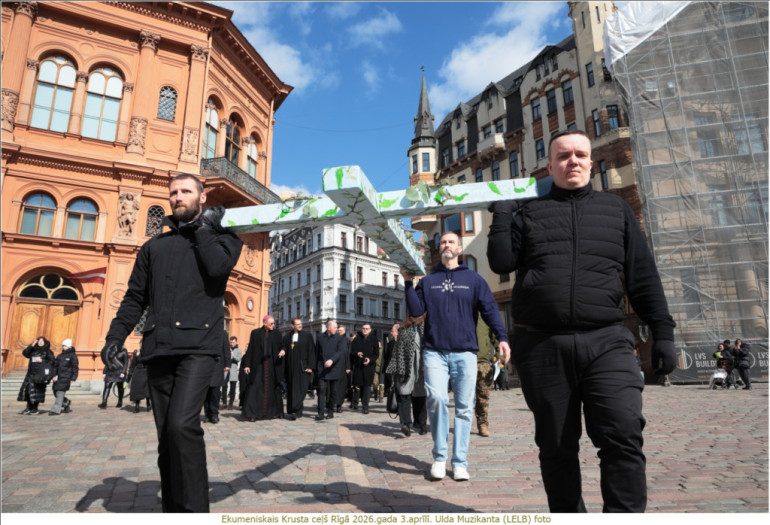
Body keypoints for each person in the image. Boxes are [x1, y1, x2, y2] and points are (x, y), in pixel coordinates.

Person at [487, 129, 676, 512]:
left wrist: (663, 333)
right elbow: (502, 262)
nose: (572, 161)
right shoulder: (530, 212)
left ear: (591, 161)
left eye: (580, 155)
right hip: (543, 346)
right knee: (556, 447)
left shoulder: (615, 210)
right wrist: (504, 212)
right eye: (563, 156)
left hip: (607, 340)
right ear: (549, 166)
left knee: (623, 433)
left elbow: (642, 276)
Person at [101, 173, 243, 512]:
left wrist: (206, 229)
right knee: (167, 437)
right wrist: (114, 337)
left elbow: (217, 268)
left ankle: (195, 511)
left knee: (182, 425)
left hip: (198, 348)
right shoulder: (154, 247)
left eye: (185, 191)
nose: (177, 197)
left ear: (202, 197)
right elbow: (135, 298)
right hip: (159, 349)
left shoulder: (225, 239)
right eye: (173, 192)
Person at [402, 230, 511, 482]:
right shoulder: (429, 281)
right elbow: (417, 311)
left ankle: (459, 461)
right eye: (442, 242)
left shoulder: (473, 280)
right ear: (439, 249)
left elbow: (490, 310)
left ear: (459, 249)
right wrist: (409, 283)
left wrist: (502, 338)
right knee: (437, 399)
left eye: (451, 242)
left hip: (465, 352)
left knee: (463, 408)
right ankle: (440, 457)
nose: (446, 245)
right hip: (435, 352)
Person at [385, 315, 427, 437]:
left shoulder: (426, 329)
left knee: (420, 396)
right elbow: (397, 351)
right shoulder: (404, 330)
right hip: (405, 367)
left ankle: (420, 424)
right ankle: (405, 424)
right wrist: (396, 368)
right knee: (404, 394)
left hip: (422, 366)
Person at [241, 315, 284, 421]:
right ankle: (252, 414)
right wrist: (247, 364)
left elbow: (283, 345)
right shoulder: (255, 333)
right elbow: (250, 349)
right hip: (258, 365)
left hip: (271, 365)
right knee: (254, 389)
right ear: (265, 323)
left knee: (272, 389)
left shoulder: (277, 333)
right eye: (271, 323)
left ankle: (272, 412)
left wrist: (283, 350)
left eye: (274, 323)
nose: (273, 325)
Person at [282, 317, 315, 420]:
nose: (300, 325)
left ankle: (295, 407)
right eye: (298, 324)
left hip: (303, 367)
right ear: (293, 326)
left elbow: (311, 352)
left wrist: (311, 366)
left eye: (301, 324)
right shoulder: (287, 337)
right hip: (291, 368)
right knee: (292, 390)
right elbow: (284, 347)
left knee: (302, 389)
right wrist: (283, 350)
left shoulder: (307, 336)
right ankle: (295, 411)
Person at [315, 319, 346, 420]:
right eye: (335, 328)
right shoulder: (319, 337)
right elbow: (317, 353)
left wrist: (332, 360)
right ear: (328, 328)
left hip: (334, 368)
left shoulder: (339, 338)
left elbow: (340, 352)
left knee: (333, 391)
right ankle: (320, 413)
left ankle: (331, 411)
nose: (337, 329)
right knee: (321, 391)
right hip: (322, 368)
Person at [18, 337, 56, 415]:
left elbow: (52, 362)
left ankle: (35, 408)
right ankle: (28, 407)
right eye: (39, 341)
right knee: (28, 391)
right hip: (30, 374)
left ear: (45, 342)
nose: (40, 342)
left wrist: (42, 361)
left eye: (42, 341)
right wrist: (31, 345)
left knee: (37, 392)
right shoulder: (33, 350)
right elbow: (25, 353)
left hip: (40, 375)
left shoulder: (48, 351)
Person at [474, 318, 496, 437]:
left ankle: (482, 424)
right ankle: (463, 424)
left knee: (483, 395)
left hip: (483, 361)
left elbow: (495, 333)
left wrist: (500, 351)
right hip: (464, 359)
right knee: (463, 397)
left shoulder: (484, 314)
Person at [351, 322, 378, 414]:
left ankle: (365, 406)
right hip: (359, 366)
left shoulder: (374, 339)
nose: (364, 330)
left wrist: (370, 360)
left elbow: (376, 355)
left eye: (366, 328)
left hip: (369, 367)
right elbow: (352, 351)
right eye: (363, 328)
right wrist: (357, 353)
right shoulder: (357, 339)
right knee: (359, 386)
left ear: (370, 330)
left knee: (367, 386)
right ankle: (355, 402)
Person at [203, 335, 229, 424]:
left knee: (215, 391)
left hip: (218, 365)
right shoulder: (205, 330)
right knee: (206, 391)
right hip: (205, 365)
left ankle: (214, 414)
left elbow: (226, 349)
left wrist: (227, 364)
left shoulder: (222, 333)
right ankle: (207, 414)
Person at [50, 338, 79, 416]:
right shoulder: (60, 356)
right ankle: (66, 402)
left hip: (66, 378)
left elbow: (75, 367)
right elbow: (55, 366)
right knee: (55, 392)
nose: (63, 347)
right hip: (58, 378)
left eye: (65, 346)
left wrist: (73, 378)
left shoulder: (73, 356)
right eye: (63, 346)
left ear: (69, 346)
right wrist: (53, 375)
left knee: (60, 392)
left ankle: (55, 410)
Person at [335, 324, 352, 413]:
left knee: (342, 387)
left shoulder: (347, 341)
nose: (339, 332)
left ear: (345, 331)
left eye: (341, 330)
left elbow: (348, 355)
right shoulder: (334, 340)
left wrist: (348, 367)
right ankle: (331, 403)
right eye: (338, 330)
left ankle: (339, 405)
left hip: (343, 366)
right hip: (334, 366)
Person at [222, 336, 242, 409]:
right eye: (230, 342)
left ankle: (230, 404)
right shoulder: (226, 349)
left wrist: (232, 354)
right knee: (224, 386)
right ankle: (224, 403)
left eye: (233, 342)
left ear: (236, 342)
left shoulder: (238, 350)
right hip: (225, 370)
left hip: (233, 370)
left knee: (233, 388)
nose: (232, 344)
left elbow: (238, 359)